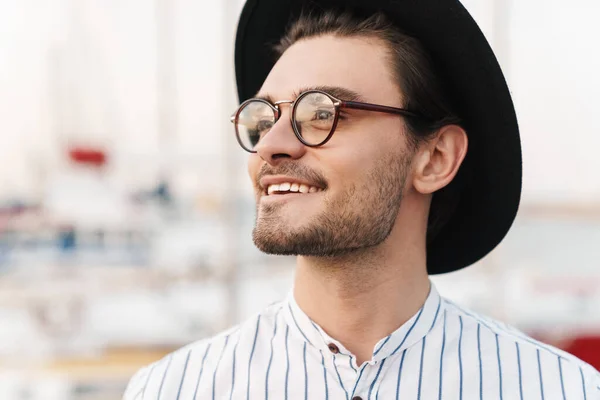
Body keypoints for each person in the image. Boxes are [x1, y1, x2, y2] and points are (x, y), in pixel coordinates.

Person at [123, 0, 600, 398]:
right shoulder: (172, 388)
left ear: (434, 158)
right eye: (263, 117)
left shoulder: (557, 388)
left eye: (322, 112)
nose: (271, 145)